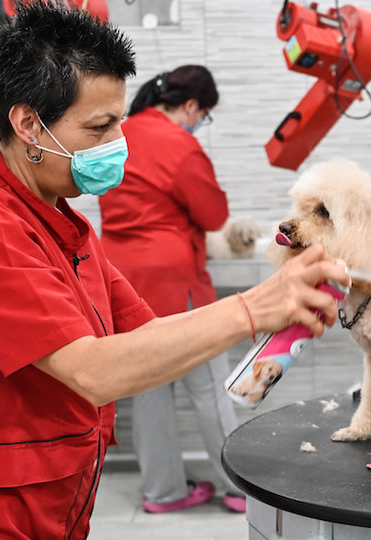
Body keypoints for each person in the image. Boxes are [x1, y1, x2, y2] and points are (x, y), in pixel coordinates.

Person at [0, 4, 349, 539]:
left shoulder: (63, 226)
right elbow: (93, 372)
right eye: (100, 127)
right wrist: (253, 307)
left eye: (118, 122)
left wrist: (274, 309)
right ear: (29, 125)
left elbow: (148, 337)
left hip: (41, 505)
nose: (119, 143)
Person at [98, 65, 246, 514]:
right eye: (204, 115)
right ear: (191, 106)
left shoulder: (117, 134)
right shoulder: (180, 145)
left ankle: (162, 492)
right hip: (174, 279)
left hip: (123, 279)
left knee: (149, 390)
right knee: (209, 387)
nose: (200, 123)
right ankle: (241, 489)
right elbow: (213, 214)